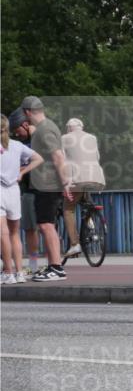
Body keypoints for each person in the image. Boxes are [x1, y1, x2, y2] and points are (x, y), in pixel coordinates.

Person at [20, 95, 74, 282]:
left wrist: (66, 182)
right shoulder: (44, 128)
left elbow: (58, 156)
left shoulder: (45, 130)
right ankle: (53, 265)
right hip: (44, 184)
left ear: (27, 112)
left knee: (46, 225)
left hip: (48, 184)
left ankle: (57, 267)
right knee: (45, 225)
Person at [1, 114, 43, 283]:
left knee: (3, 234)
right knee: (14, 234)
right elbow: (38, 158)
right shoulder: (17, 145)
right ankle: (19, 272)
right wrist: (22, 172)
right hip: (13, 191)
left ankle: (8, 272)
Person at [60, 117, 106, 259]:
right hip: (96, 177)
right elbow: (97, 156)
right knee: (83, 195)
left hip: (77, 177)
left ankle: (75, 244)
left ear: (69, 128)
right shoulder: (92, 137)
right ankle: (90, 219)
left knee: (68, 209)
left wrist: (64, 182)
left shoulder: (64, 138)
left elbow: (61, 160)